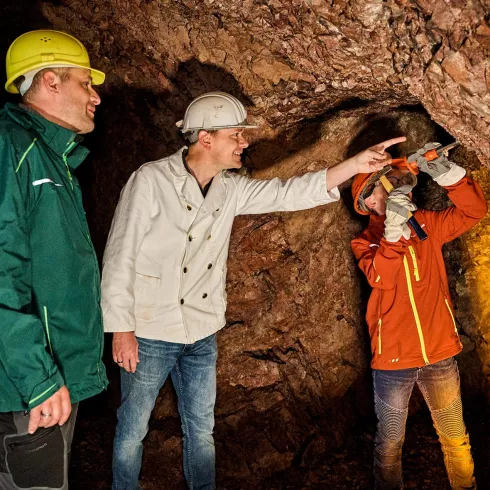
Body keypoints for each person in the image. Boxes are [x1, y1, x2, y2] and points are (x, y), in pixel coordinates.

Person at [101, 90, 405, 490]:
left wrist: (355, 164)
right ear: (205, 138)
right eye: (236, 135)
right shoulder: (151, 180)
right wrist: (120, 328)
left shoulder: (229, 188)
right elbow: (120, 254)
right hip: (151, 330)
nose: (244, 143)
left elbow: (289, 192)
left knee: (202, 430)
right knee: (132, 429)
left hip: (202, 330)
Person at [0, 30, 108, 489]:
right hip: (30, 383)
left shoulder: (52, 156)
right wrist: (39, 378)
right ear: (50, 81)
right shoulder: (11, 148)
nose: (96, 96)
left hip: (51, 373)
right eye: (86, 83)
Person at [351, 144, 487, 489]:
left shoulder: (425, 224)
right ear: (369, 200)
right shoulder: (365, 242)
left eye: (394, 180)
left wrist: (447, 174)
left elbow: (474, 211)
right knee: (391, 443)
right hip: (394, 359)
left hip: (439, 351)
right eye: (385, 183)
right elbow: (381, 276)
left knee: (455, 437)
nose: (394, 187)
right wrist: (393, 232)